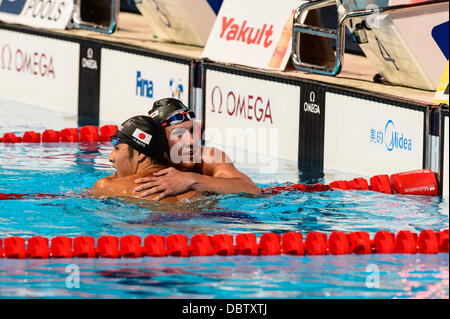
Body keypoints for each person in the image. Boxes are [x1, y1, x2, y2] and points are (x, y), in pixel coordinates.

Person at [133, 98, 262, 200]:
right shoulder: (142, 162)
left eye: (193, 131)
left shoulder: (208, 158)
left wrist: (192, 180)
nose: (192, 141)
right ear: (159, 140)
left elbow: (253, 189)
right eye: (178, 134)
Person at [93, 115, 196, 203]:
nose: (110, 158)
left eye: (117, 148)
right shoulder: (193, 189)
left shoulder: (105, 186)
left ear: (140, 154)